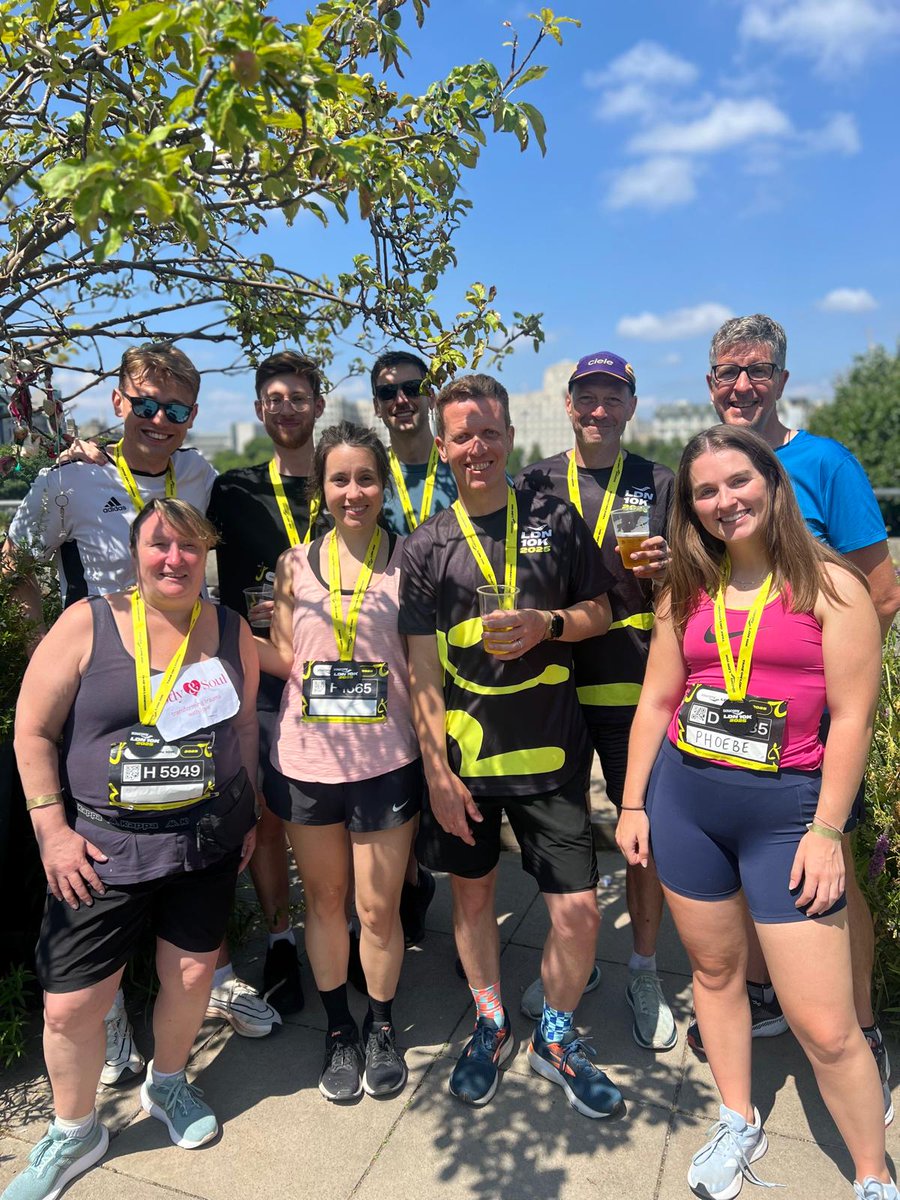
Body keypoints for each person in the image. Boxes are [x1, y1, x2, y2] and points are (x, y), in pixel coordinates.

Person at [616, 425, 895, 1200]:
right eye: (704, 491)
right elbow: (658, 699)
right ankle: (736, 1116)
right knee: (714, 971)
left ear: (772, 483)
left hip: (787, 819)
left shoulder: (835, 588)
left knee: (825, 1025)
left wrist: (829, 830)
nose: (722, 501)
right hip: (687, 805)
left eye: (737, 481)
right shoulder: (686, 588)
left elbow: (851, 720)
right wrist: (634, 798)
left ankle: (872, 1176)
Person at [2, 343, 277, 1081]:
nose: (159, 420)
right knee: (101, 859)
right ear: (120, 402)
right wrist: (43, 657)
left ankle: (210, 981)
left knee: (196, 839)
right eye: (146, 404)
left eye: (176, 409)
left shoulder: (200, 476)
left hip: (188, 689)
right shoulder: (71, 476)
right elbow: (18, 566)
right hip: (105, 688)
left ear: (191, 418)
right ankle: (111, 1014)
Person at [2, 499, 260, 1200]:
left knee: (187, 980)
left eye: (188, 546)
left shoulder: (230, 629)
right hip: (101, 853)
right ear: (135, 552)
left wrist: (249, 816)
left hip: (203, 843)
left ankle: (168, 1084)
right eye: (159, 545)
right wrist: (52, 832)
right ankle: (75, 1128)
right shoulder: (86, 622)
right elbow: (31, 732)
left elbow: (241, 737)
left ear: (206, 553)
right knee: (71, 1007)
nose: (174, 558)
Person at [400, 374, 624, 1119]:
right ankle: (489, 1023)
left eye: (490, 432)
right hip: (464, 764)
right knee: (473, 896)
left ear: (510, 439)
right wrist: (434, 771)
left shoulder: (556, 520)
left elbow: (605, 606)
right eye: (462, 435)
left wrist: (549, 625)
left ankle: (554, 1039)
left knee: (579, 913)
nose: (478, 447)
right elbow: (421, 668)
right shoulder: (425, 546)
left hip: (551, 756)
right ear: (442, 447)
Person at [699, 313, 900, 1120]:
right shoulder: (706, 473)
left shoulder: (825, 464)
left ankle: (858, 1025)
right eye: (727, 371)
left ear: (782, 378)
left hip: (813, 736)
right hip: (725, 727)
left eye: (758, 369)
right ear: (709, 382)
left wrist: (835, 692)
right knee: (746, 880)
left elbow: (880, 590)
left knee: (832, 878)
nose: (742, 384)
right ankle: (765, 996)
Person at [257, 422, 422, 1102]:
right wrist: (214, 634)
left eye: (365, 478)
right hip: (308, 760)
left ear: (383, 484)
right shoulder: (294, 565)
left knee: (378, 910)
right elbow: (284, 657)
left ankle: (380, 1026)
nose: (353, 492)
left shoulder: (412, 559)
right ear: (320, 488)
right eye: (339, 479)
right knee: (324, 901)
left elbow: (426, 667)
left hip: (387, 759)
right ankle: (336, 1032)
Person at [517, 350, 676, 1051]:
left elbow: (694, 581)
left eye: (614, 397)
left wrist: (674, 564)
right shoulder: (534, 482)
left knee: (642, 837)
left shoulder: (660, 482)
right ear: (571, 404)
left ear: (631, 406)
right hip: (553, 683)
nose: (600, 409)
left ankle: (643, 968)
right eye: (588, 396)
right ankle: (570, 964)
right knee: (565, 833)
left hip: (634, 684)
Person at [207, 350, 329, 1013]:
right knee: (270, 816)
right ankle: (282, 937)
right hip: (262, 677)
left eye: (298, 396)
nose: (285, 407)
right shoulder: (230, 490)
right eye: (273, 398)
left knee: (333, 812)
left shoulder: (344, 481)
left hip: (339, 679)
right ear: (259, 408)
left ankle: (342, 928)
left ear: (318, 404)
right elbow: (160, 507)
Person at [371, 348, 457, 943]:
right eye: (388, 392)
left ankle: (468, 918)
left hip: (456, 648)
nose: (401, 399)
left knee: (458, 780)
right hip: (385, 646)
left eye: (412, 387)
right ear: (377, 407)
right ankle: (410, 884)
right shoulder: (369, 474)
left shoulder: (462, 463)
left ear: (431, 392)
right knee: (396, 780)